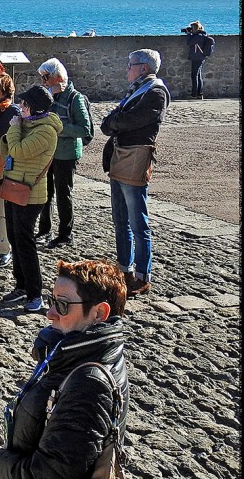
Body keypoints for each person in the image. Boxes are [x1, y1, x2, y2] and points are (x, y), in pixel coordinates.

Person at [0, 259, 130, 479]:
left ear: (99, 313)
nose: (50, 313)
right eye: (51, 300)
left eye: (62, 305)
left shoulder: (89, 383)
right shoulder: (75, 352)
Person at [100, 49, 171, 297]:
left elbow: (131, 120)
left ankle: (142, 274)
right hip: (121, 156)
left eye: (130, 65)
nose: (127, 69)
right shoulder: (137, 91)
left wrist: (115, 121)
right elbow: (114, 120)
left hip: (136, 157)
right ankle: (124, 269)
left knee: (138, 222)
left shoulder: (155, 92)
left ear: (143, 68)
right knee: (120, 220)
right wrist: (115, 121)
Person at [0, 85, 61, 313]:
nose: (21, 108)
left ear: (34, 107)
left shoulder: (46, 131)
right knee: (16, 239)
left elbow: (18, 150)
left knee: (25, 242)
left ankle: (35, 293)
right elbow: (7, 150)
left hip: (30, 194)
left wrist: (14, 129)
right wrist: (15, 130)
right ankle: (21, 285)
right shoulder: (27, 125)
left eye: (25, 105)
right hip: (14, 186)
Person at [36, 58, 93, 248]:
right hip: (49, 152)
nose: (43, 81)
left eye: (46, 77)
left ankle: (65, 234)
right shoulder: (52, 96)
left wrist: (59, 128)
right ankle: (45, 230)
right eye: (42, 78)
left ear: (58, 77)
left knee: (63, 193)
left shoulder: (75, 98)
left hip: (66, 154)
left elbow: (84, 129)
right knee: (46, 192)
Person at [0, 72, 21, 268]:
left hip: (3, 166)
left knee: (2, 212)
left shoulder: (12, 112)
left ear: (5, 90)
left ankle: (5, 248)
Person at [184, 20, 215, 99]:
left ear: (196, 28)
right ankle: (199, 94)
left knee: (194, 75)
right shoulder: (201, 35)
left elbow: (189, 43)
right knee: (198, 75)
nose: (191, 29)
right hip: (199, 57)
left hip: (197, 57)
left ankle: (194, 94)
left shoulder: (198, 36)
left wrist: (188, 35)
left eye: (192, 28)